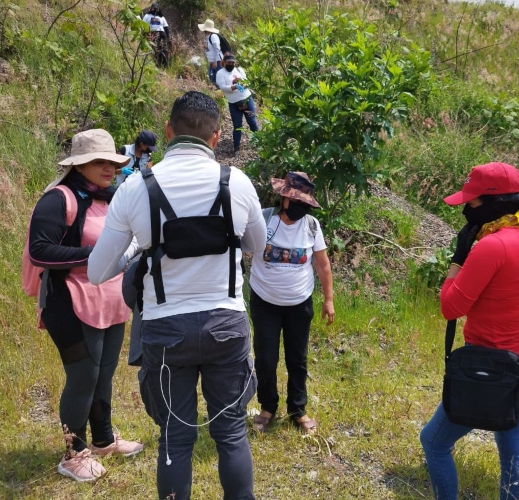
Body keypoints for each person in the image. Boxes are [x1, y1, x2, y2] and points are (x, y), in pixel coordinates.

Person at [87, 91, 266, 500]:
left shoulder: (136, 188)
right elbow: (255, 243)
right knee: (232, 433)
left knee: (176, 437)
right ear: (218, 136)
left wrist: (139, 247)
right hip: (226, 325)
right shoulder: (236, 183)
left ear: (168, 131)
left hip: (166, 331)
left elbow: (98, 270)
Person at [419, 162, 519, 500]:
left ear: (493, 203)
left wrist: (457, 260)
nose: (466, 209)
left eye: (471, 203)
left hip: (493, 371)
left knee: (434, 441)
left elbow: (450, 307)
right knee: (512, 447)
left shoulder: (492, 245)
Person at [27, 129, 143, 482]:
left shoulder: (111, 198)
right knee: (83, 376)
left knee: (104, 373)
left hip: (109, 300)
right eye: (99, 161)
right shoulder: (58, 199)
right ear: (79, 165)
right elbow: (39, 250)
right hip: (68, 301)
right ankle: (73, 452)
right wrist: (96, 255)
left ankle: (104, 439)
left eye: (112, 161)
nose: (108, 167)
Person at [249, 172, 335, 435]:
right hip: (264, 302)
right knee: (266, 358)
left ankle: (298, 409)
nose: (300, 207)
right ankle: (267, 407)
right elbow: (238, 247)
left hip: (299, 303)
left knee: (297, 359)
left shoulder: (311, 226)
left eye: (304, 202)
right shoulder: (263, 220)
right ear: (284, 197)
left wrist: (329, 299)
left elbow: (322, 264)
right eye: (295, 200)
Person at [216, 54, 259, 155]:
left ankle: (260, 143)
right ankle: (236, 147)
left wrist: (241, 83)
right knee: (237, 125)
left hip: (246, 99)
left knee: (252, 122)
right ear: (224, 63)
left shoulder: (239, 70)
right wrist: (234, 85)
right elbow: (223, 87)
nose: (231, 65)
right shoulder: (220, 73)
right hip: (234, 103)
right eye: (229, 63)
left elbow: (247, 82)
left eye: (232, 63)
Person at [198, 18, 224, 85]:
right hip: (213, 61)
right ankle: (217, 92)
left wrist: (215, 61)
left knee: (217, 78)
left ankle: (219, 92)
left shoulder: (213, 36)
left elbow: (217, 48)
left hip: (218, 61)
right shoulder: (209, 37)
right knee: (212, 77)